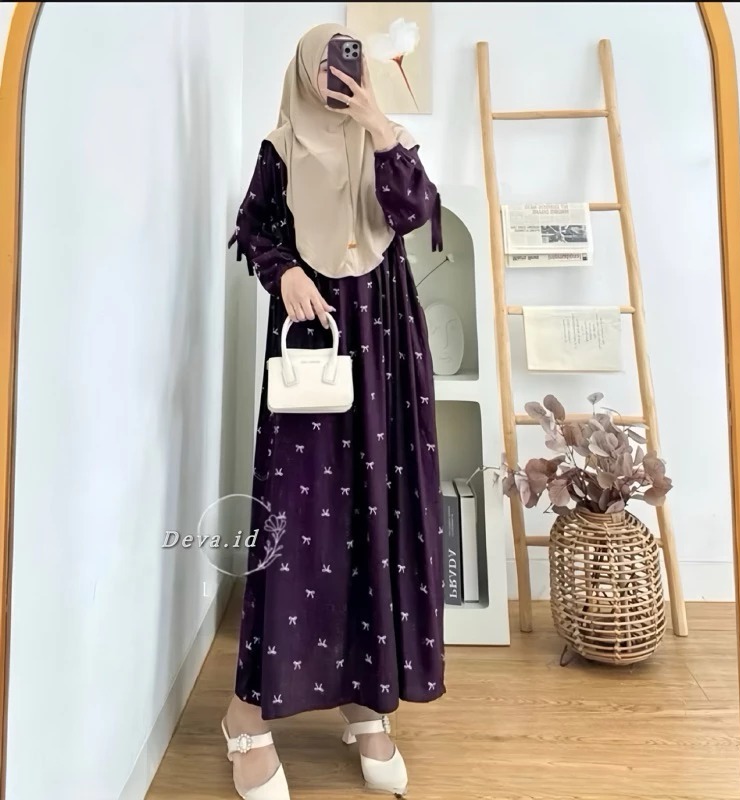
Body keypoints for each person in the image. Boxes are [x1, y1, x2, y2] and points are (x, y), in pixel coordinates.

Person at [223, 22, 446, 800]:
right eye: (324, 62)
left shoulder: (387, 140)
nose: (336, 74)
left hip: (384, 341)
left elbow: (417, 213)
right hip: (314, 340)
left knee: (377, 509)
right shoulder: (279, 148)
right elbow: (254, 228)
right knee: (302, 517)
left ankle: (366, 699)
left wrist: (379, 124)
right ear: (302, 70)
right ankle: (247, 713)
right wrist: (282, 271)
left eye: (347, 61)